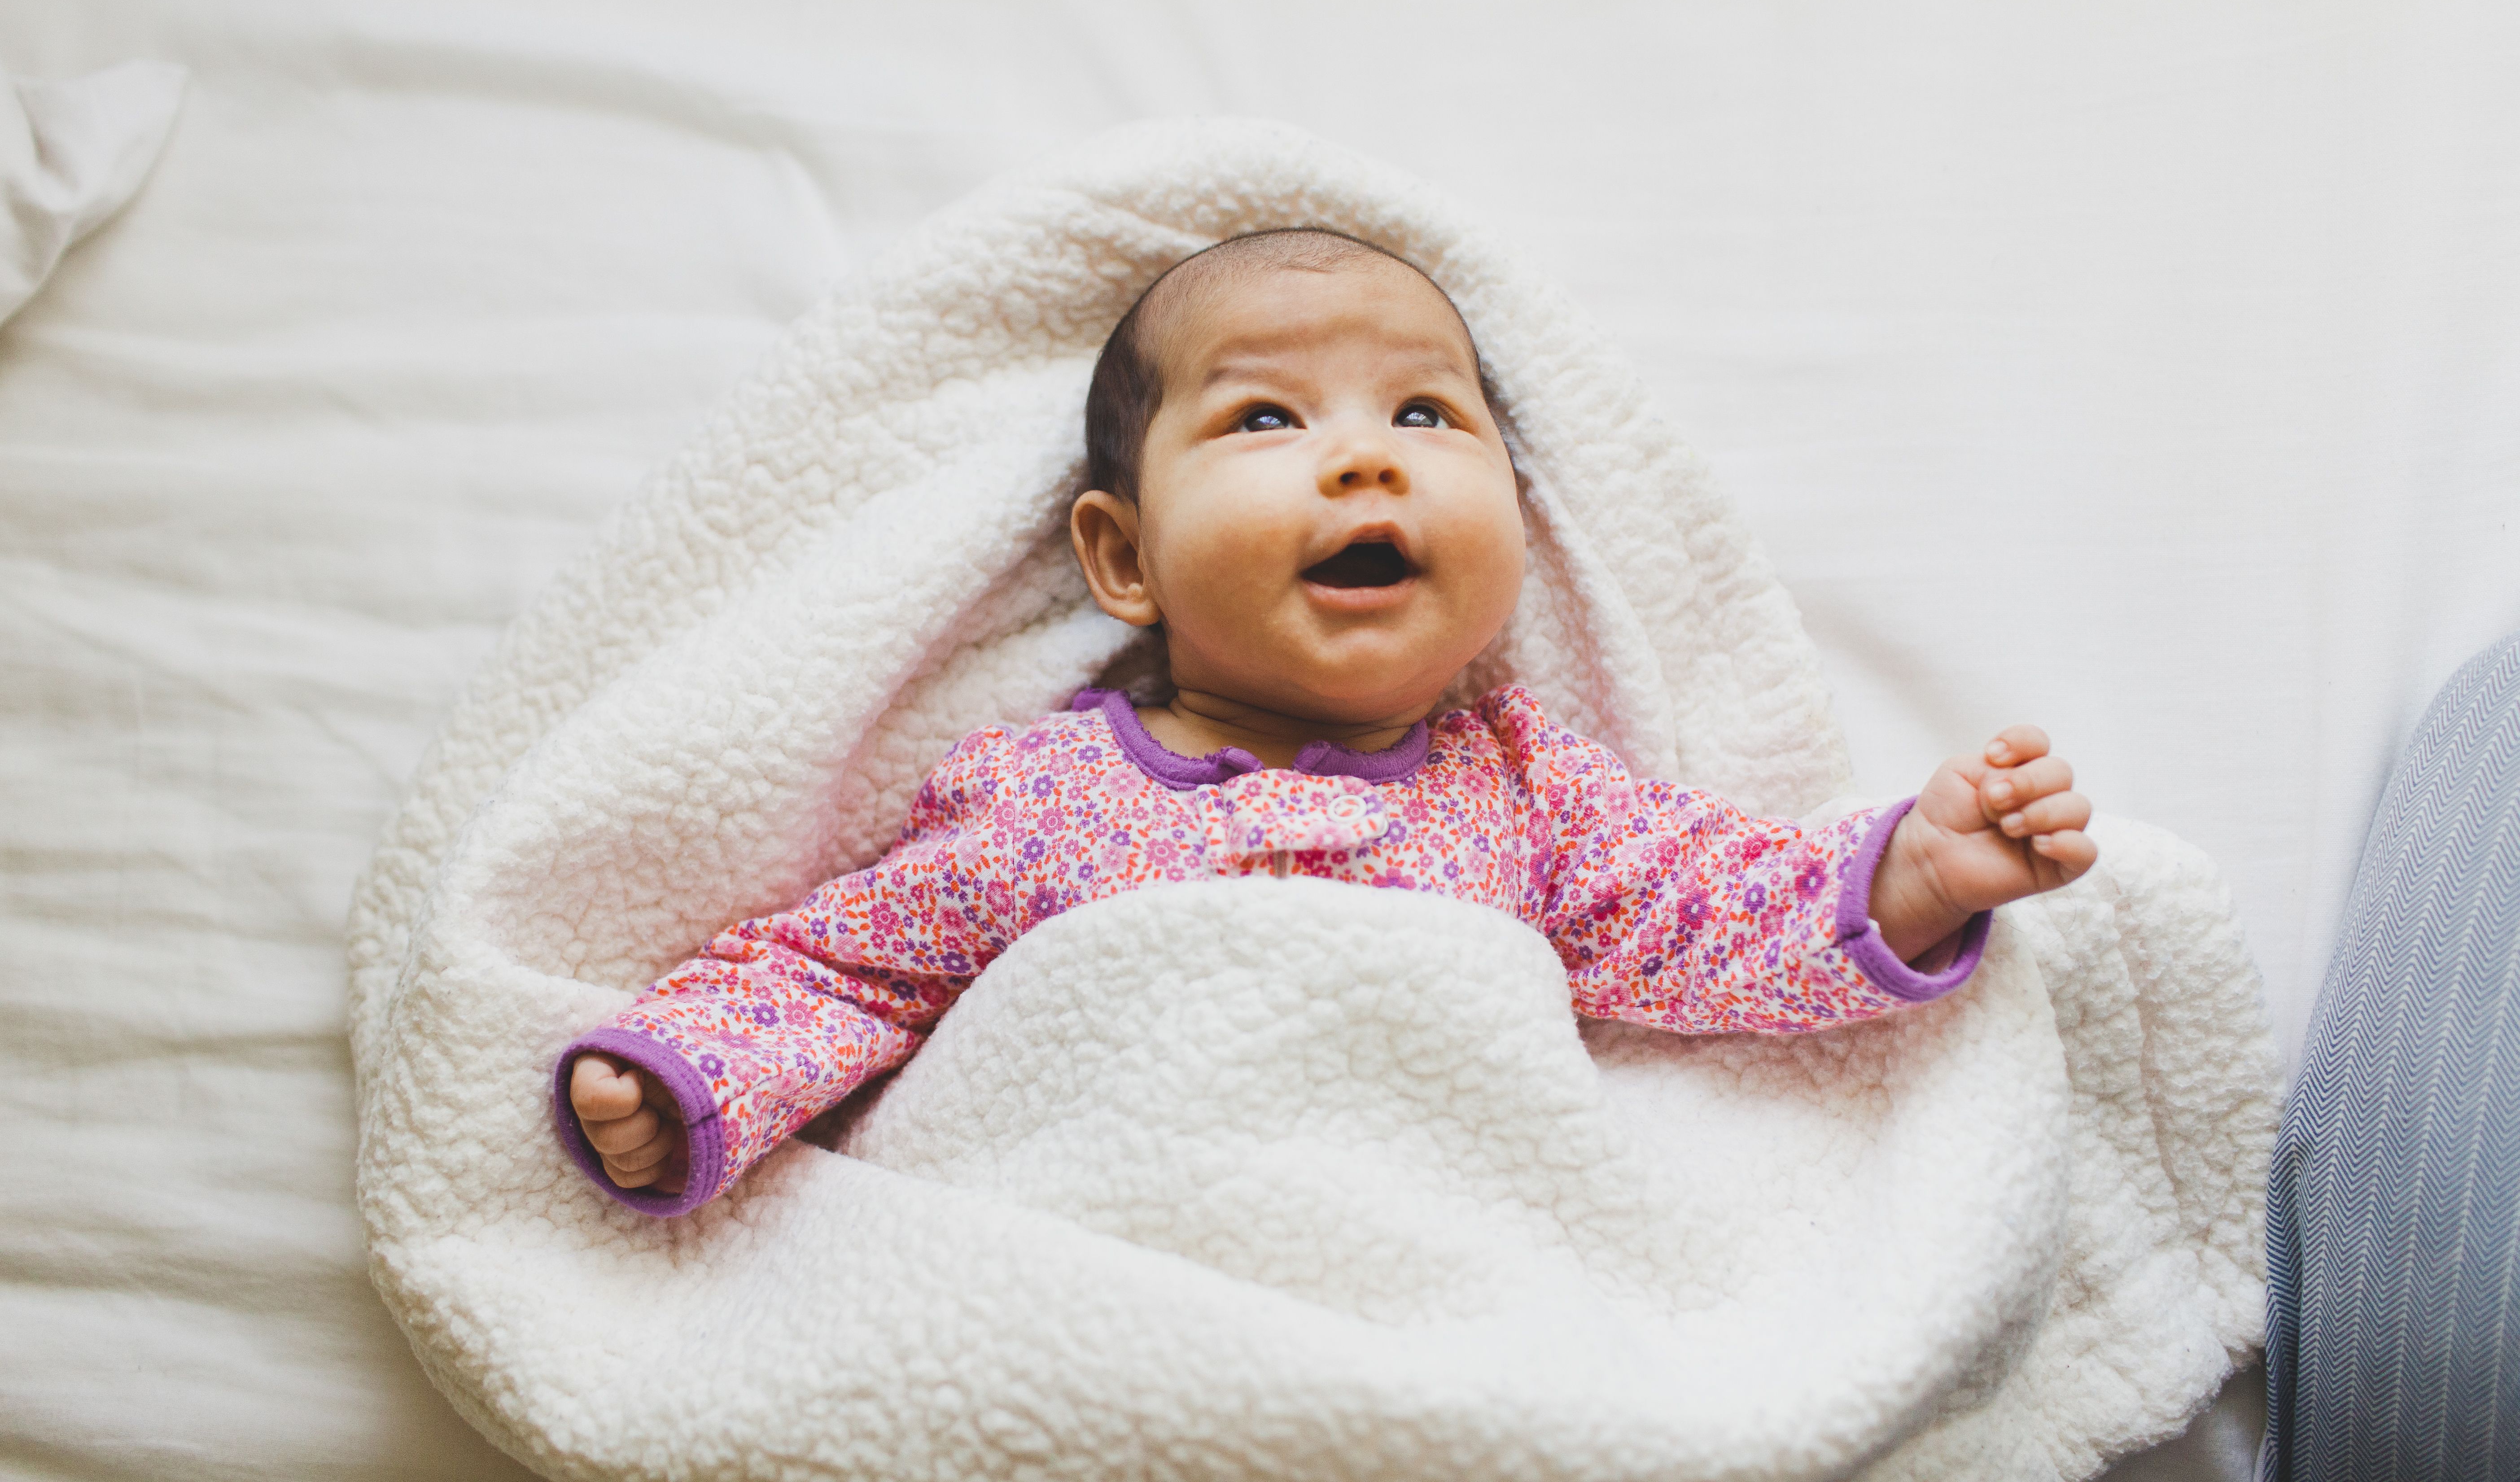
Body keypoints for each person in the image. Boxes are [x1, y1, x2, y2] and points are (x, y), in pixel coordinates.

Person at [554, 229, 2096, 1215]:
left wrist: (1918, 875)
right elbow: (849, 966)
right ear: (1124, 558)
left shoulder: (1528, 790)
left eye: (1425, 415)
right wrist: (688, 1073)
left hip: (1445, 1245)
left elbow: (1714, 912)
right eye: (1266, 420)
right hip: (1124, 1241)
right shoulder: (1037, 795)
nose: (1364, 461)